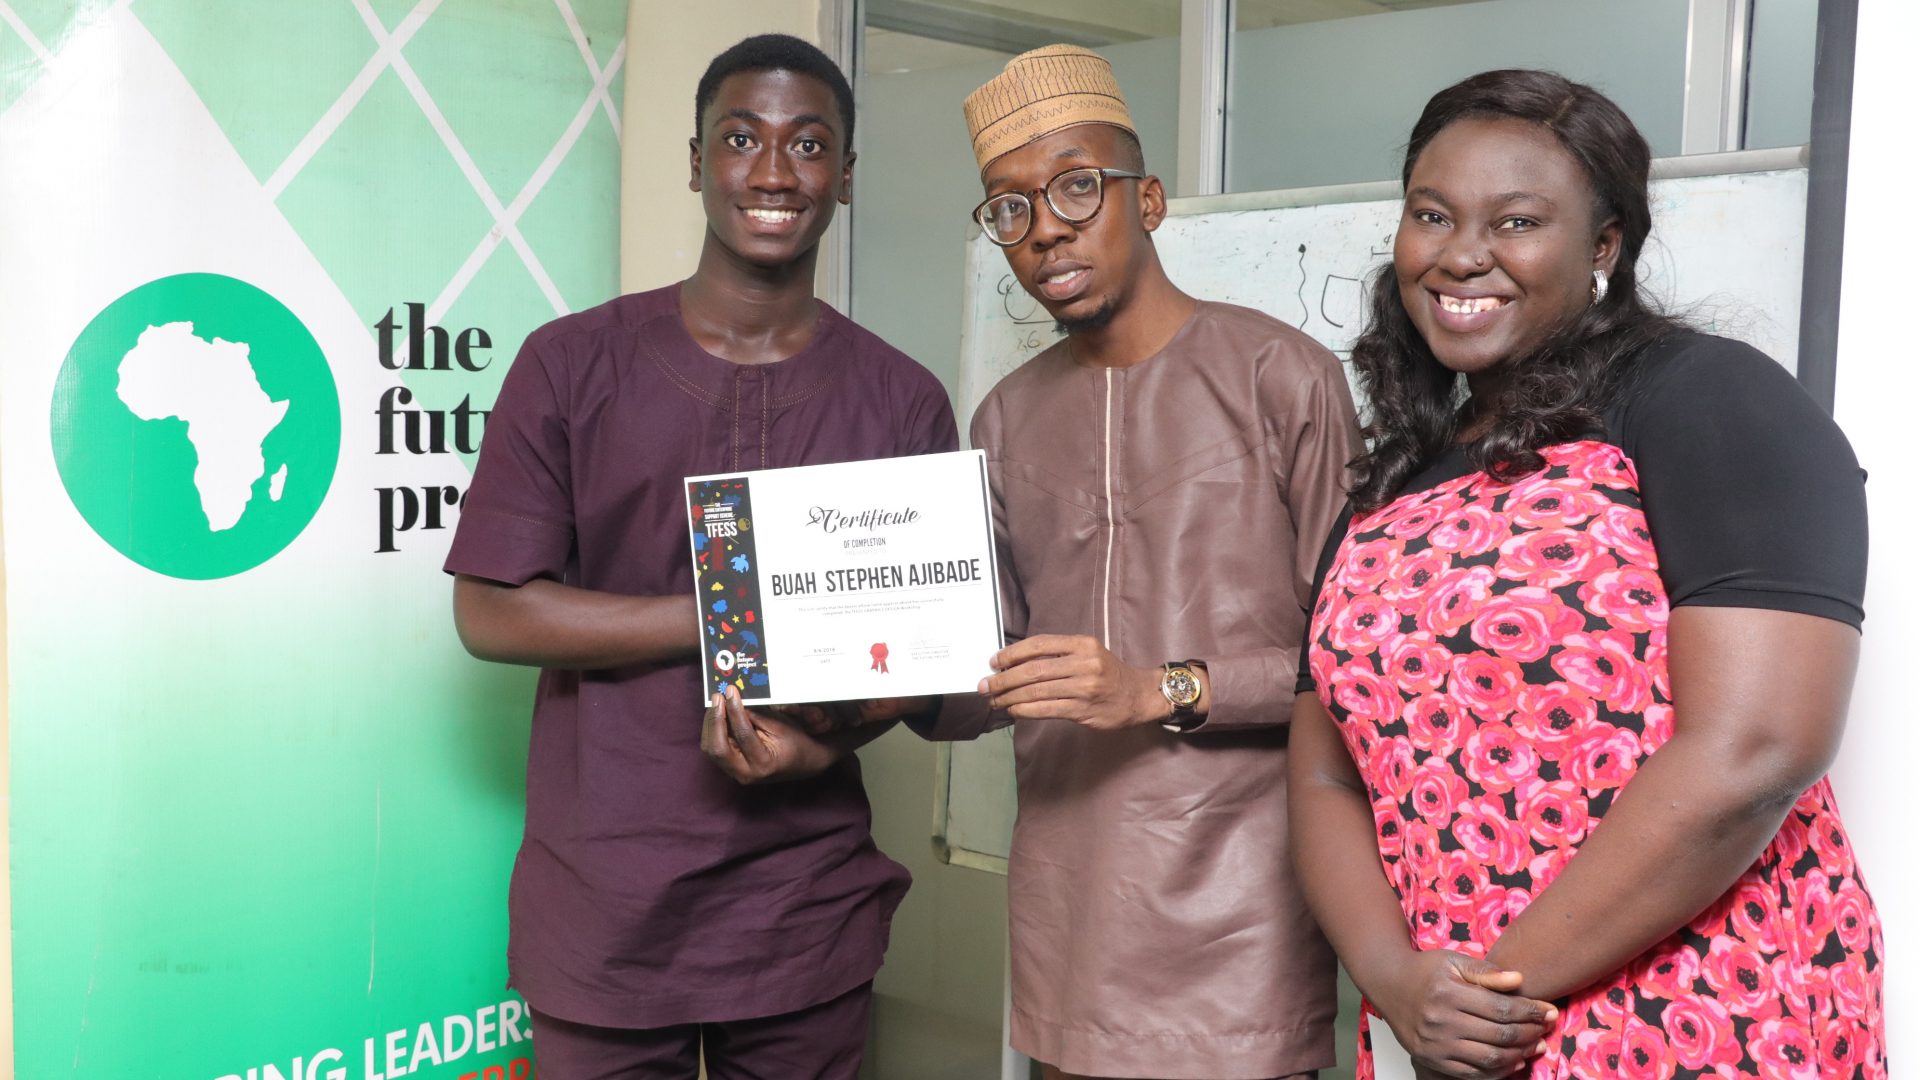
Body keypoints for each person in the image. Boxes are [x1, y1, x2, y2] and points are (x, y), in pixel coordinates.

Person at [1289, 69, 1886, 1079]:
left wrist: (1489, 994)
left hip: (1699, 1012)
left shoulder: (1706, 399)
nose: (1461, 253)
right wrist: (1397, 982)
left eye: (1517, 222)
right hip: (1449, 1030)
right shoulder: (1392, 480)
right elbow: (1323, 771)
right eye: (1432, 214)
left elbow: (1757, 748)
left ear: (1604, 245)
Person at [443, 33, 955, 1080]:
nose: (773, 173)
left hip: (803, 909)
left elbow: (925, 649)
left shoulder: (902, 400)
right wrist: (729, 614)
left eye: (807, 144)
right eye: (741, 138)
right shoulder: (571, 364)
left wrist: (818, 751)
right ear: (695, 162)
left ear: (845, 175)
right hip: (607, 908)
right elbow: (491, 608)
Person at [918, 44, 1360, 1080]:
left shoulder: (1283, 377)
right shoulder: (1004, 419)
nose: (1045, 229)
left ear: (1148, 199)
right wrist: (857, 677)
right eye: (1010, 208)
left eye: (1077, 186)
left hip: (1248, 908)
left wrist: (1154, 688)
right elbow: (982, 677)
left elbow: (1348, 665)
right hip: (1069, 907)